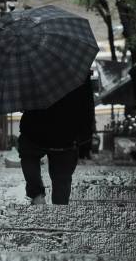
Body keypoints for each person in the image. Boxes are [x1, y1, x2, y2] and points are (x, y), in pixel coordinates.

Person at [18, 74, 95, 205]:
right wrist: (84, 140)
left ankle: (36, 193)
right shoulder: (77, 69)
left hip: (35, 128)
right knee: (62, 178)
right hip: (66, 133)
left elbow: (23, 99)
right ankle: (60, 211)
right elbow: (87, 105)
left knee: (28, 155)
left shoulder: (33, 66)